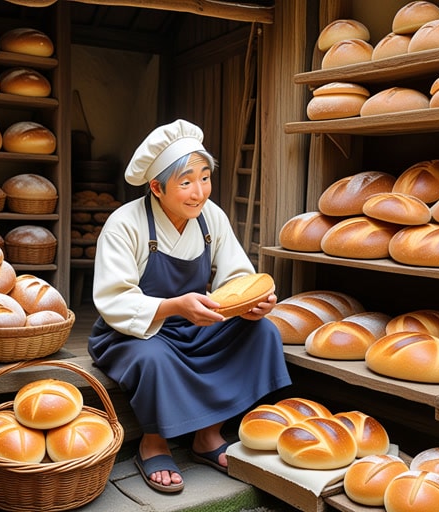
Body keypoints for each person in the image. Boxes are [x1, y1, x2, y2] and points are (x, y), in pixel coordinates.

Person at [88, 119, 292, 493]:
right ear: (156, 187)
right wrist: (174, 306)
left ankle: (208, 435)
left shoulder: (211, 217)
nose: (199, 192)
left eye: (204, 177)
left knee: (261, 332)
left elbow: (236, 277)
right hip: (136, 332)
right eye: (185, 182)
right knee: (154, 360)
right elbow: (113, 299)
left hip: (193, 324)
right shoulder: (125, 224)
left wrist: (251, 304)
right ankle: (153, 442)